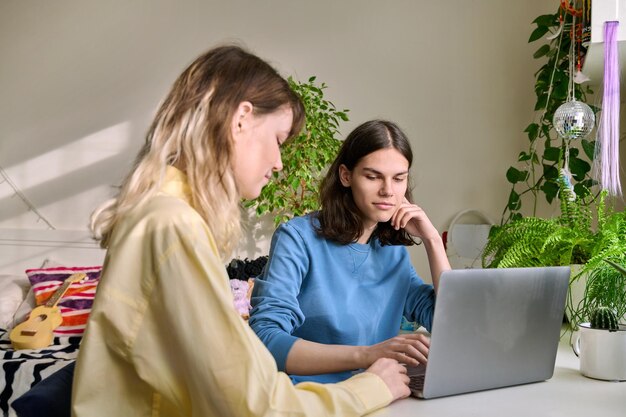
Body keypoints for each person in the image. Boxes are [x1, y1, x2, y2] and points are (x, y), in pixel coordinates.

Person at [72, 46, 410, 417]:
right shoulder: (173, 225)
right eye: (278, 140)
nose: (279, 163)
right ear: (242, 119)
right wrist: (371, 387)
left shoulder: (162, 215)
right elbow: (255, 405)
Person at [249, 119, 451, 384]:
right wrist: (367, 355)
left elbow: (448, 323)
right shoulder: (297, 238)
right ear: (346, 176)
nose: (388, 191)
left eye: (399, 178)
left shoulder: (392, 252)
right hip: (312, 400)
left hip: (382, 396)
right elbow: (266, 339)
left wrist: (432, 240)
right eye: (372, 176)